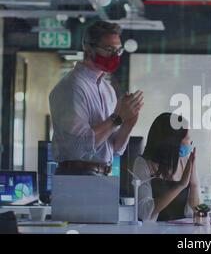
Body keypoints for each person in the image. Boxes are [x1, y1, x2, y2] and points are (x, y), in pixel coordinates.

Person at [49, 21, 144, 176]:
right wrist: (118, 118)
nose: (115, 56)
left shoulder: (107, 89)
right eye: (109, 49)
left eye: (118, 51)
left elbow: (114, 149)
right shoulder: (72, 87)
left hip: (102, 174)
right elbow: (77, 148)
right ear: (88, 48)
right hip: (76, 175)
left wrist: (128, 123)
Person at [133, 113, 200, 221]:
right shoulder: (143, 164)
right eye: (187, 139)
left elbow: (194, 212)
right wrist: (181, 185)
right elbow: (144, 212)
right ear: (173, 141)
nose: (190, 143)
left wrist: (194, 185)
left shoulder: (186, 161)